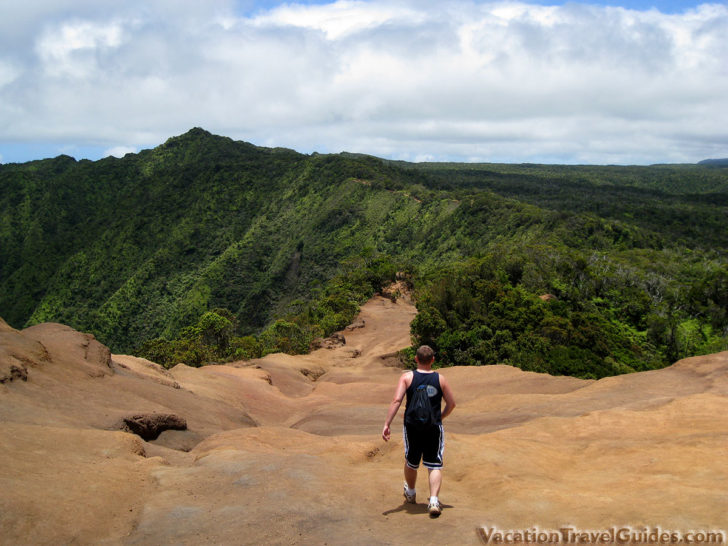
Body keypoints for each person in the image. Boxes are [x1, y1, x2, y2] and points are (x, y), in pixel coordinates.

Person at [382, 345, 456, 518]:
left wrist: (387, 423)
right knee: (434, 464)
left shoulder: (407, 377)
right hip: (433, 426)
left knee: (411, 461)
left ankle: (411, 492)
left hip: (412, 426)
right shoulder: (440, 379)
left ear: (416, 359)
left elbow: (396, 400)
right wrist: (440, 418)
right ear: (432, 360)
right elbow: (451, 404)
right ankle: (434, 501)